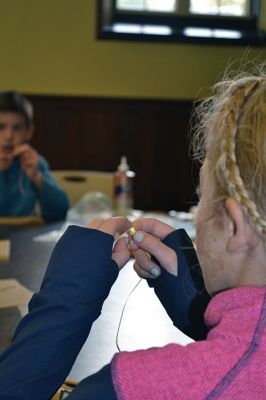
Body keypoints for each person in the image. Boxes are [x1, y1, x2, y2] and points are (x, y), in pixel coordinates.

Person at [0, 71, 266, 399]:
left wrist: (63, 303)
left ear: (234, 227)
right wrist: (202, 314)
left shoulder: (129, 388)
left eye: (202, 196)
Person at [0, 91, 69, 222]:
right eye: (0, 127)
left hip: (24, 234)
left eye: (17, 128)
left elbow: (60, 213)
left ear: (29, 132)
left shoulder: (33, 163)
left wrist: (37, 177)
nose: (9, 136)